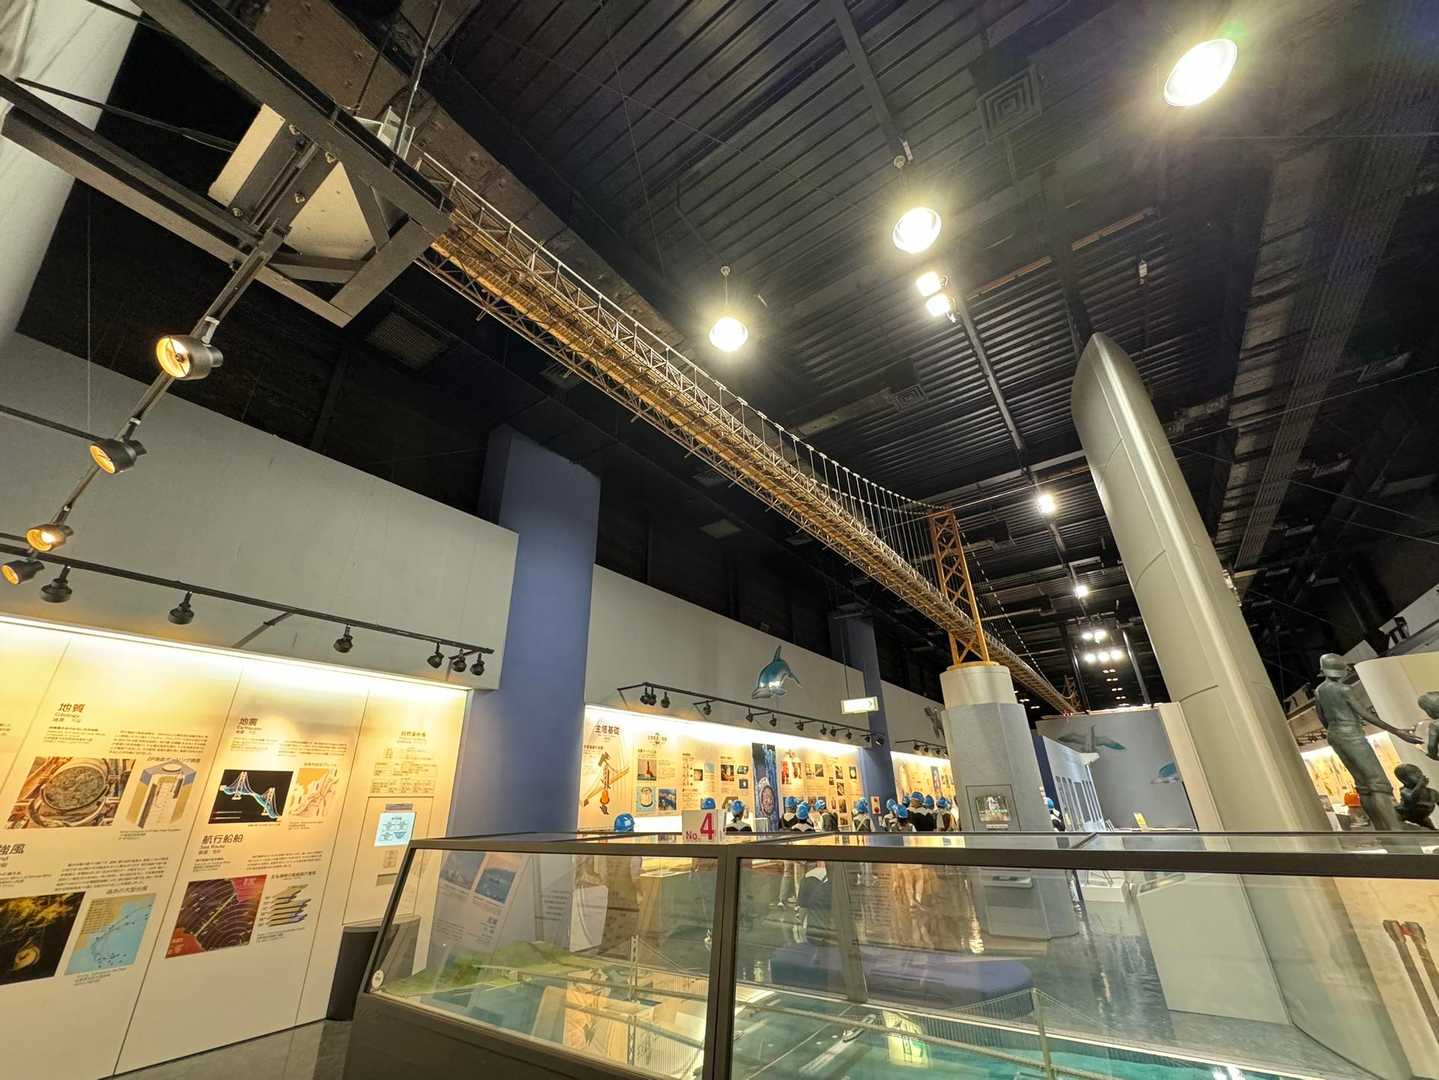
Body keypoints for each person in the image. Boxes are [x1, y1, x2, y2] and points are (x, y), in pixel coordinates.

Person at [1315, 653, 1420, 831]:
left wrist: (1336, 728)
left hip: (1335, 735)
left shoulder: (1319, 690)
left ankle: (1381, 828)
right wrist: (1396, 731)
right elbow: (1364, 713)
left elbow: (1322, 717)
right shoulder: (1343, 689)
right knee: (1378, 784)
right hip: (1351, 735)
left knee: (1363, 786)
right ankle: (1394, 827)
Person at [1395, 764, 1436, 829]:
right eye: (1414, 774)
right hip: (1405, 813)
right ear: (1405, 781)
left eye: (1419, 772)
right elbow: (1411, 798)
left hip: (1421, 817)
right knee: (1395, 823)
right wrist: (1420, 785)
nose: (1419, 775)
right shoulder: (1404, 791)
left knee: (1432, 830)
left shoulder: (1432, 792)